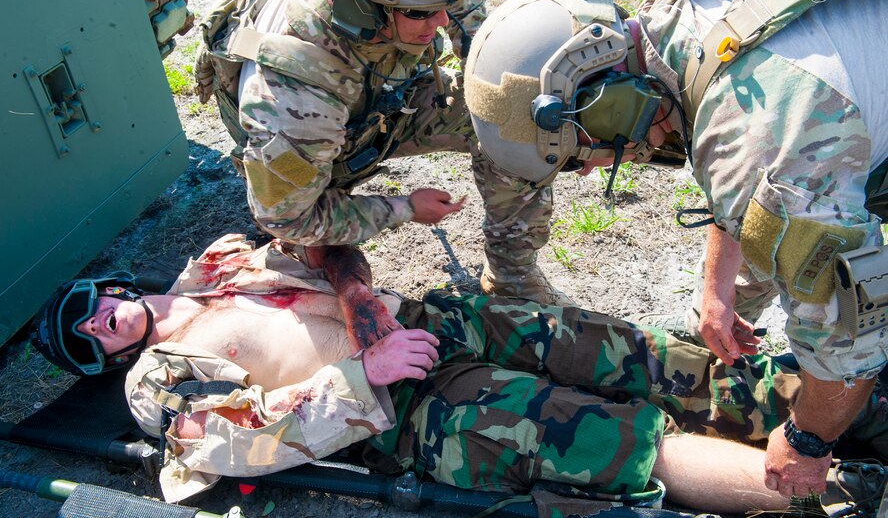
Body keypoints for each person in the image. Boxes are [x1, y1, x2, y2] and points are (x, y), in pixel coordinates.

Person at [461, 0, 888, 501]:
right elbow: (737, 134)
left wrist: (808, 440)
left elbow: (851, 343)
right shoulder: (675, 12)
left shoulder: (763, 148)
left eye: (576, 151)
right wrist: (717, 290)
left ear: (604, 94)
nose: (586, 170)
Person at [32, 234, 885, 515]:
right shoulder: (155, 381)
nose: (99, 326)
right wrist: (364, 371)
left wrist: (355, 287)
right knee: (612, 439)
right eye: (86, 343)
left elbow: (323, 235)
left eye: (90, 309)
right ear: (101, 360)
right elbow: (225, 440)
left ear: (104, 288)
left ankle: (853, 401)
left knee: (660, 360)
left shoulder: (218, 259)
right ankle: (844, 489)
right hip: (409, 411)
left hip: (444, 322)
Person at [194, 0, 574, 306]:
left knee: (507, 115)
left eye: (444, 4)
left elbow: (456, 9)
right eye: (421, 13)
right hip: (318, 142)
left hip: (377, 95)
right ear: (362, 6)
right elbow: (284, 217)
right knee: (308, 230)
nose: (442, 21)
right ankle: (320, 200)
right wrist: (403, 207)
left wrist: (568, 145)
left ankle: (513, 277)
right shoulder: (297, 99)